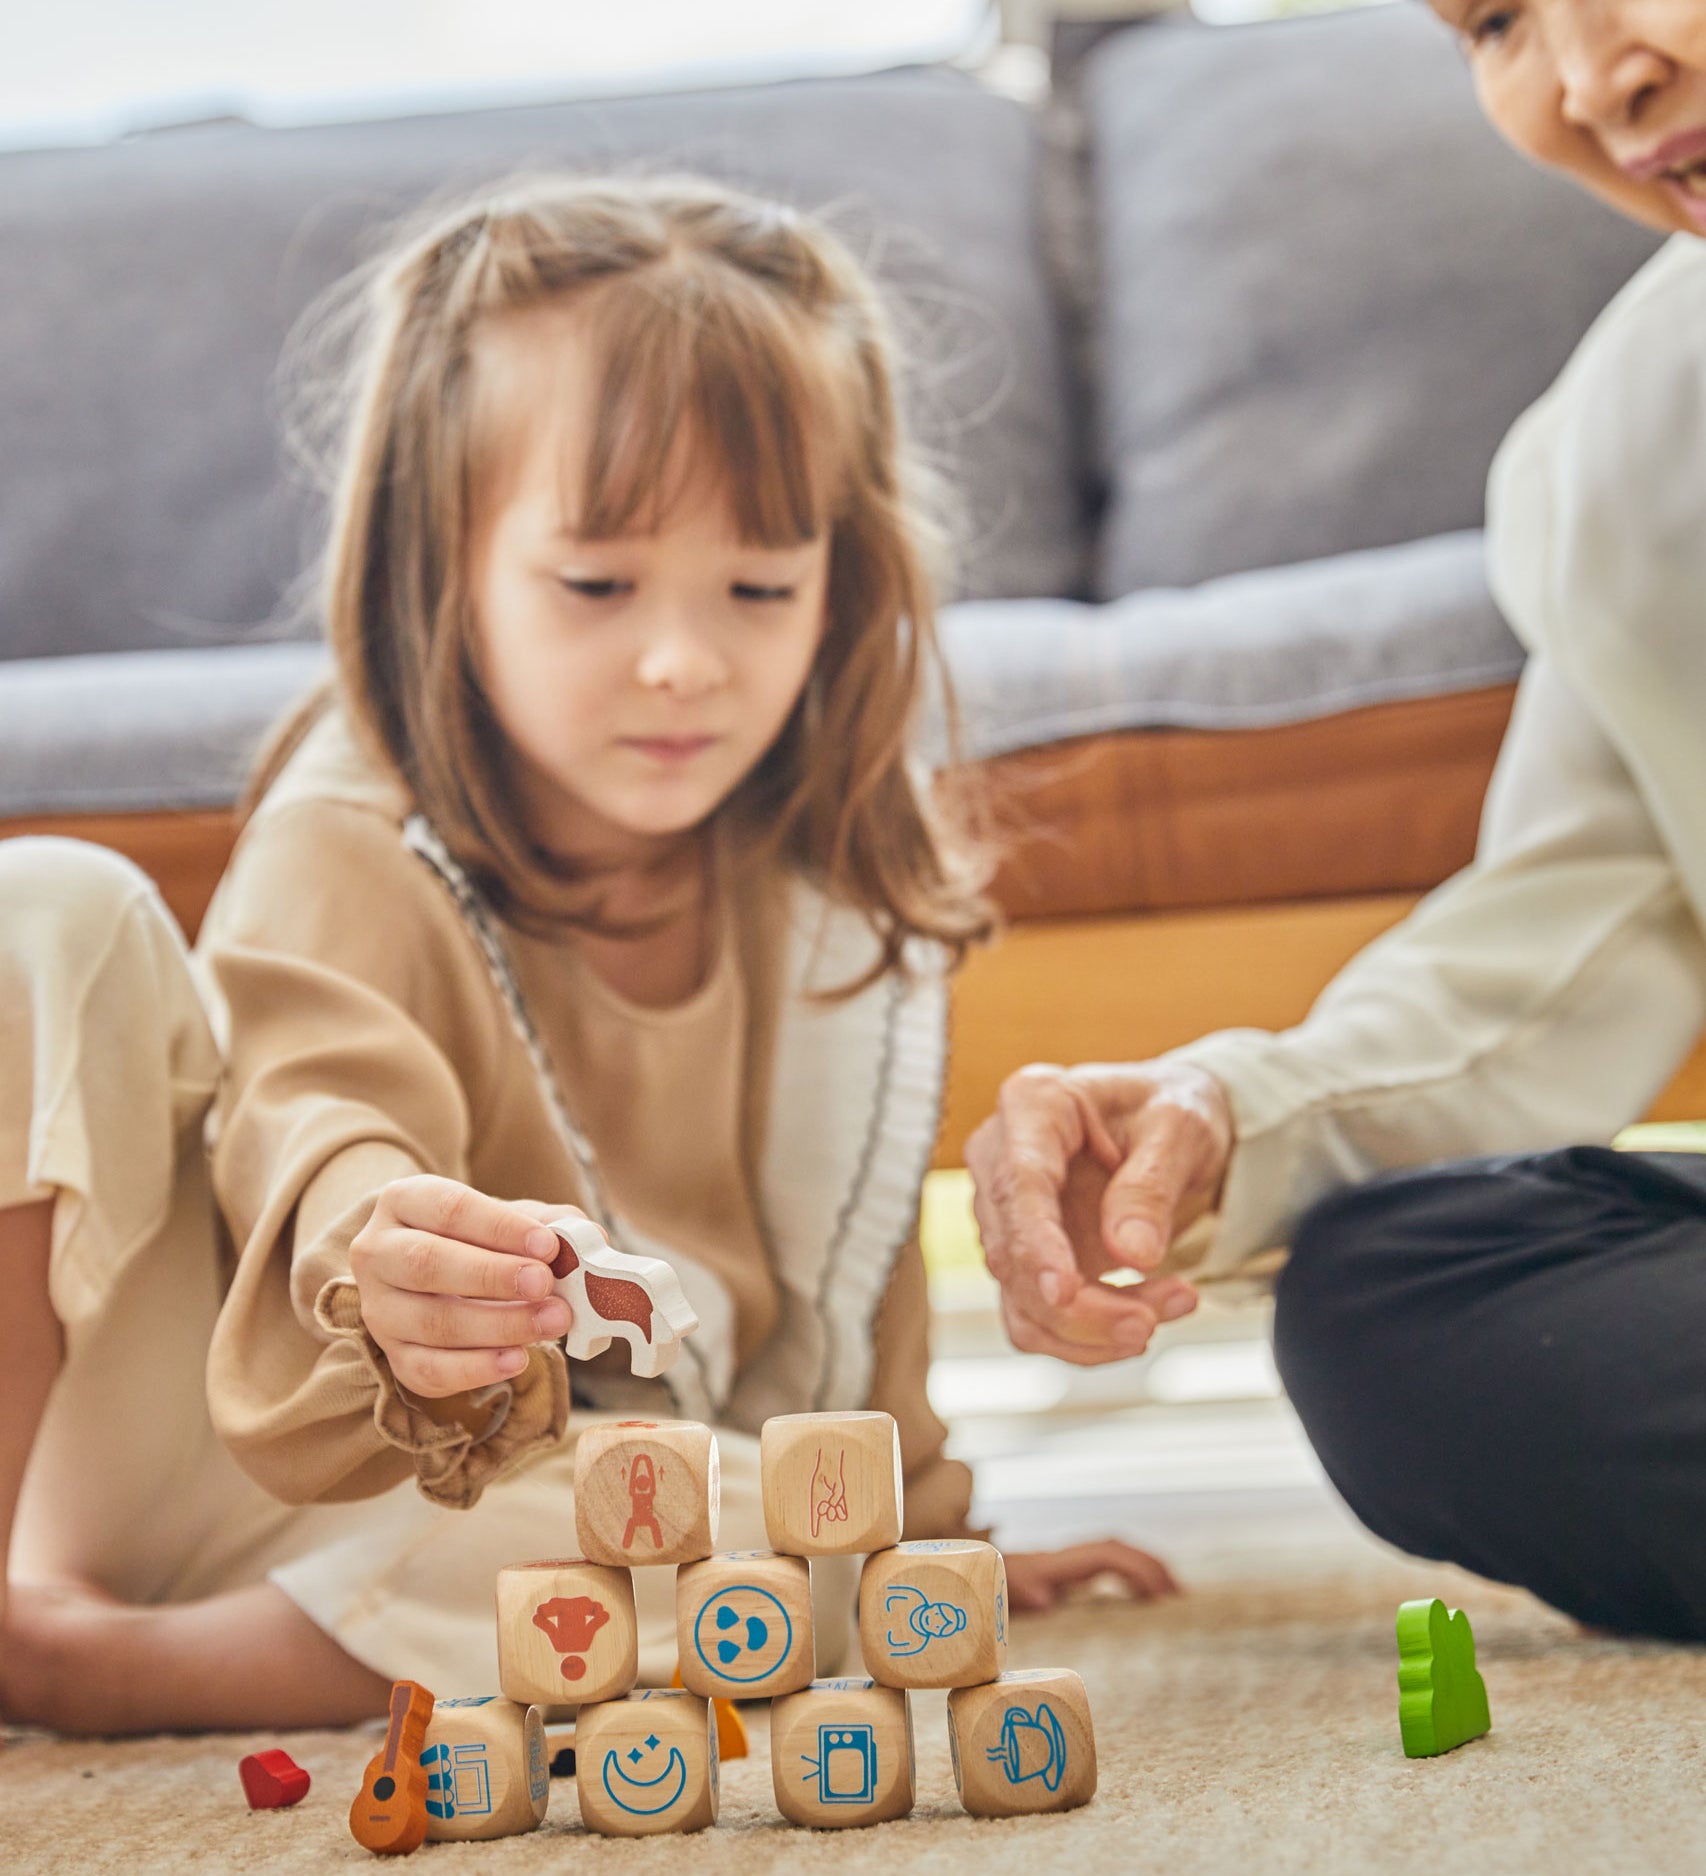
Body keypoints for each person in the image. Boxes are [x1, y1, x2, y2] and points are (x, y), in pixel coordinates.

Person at [0, 174, 1173, 1737]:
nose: (684, 658)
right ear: (446, 565)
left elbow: (854, 1299)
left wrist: (921, 1542)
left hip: (494, 1507)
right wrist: (390, 1265)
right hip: (233, 1424)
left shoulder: (828, 885)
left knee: (775, 1540)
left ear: (842, 579)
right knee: (44, 912)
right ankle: (55, 1631)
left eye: (759, 587)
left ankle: (113, 1658)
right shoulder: (356, 829)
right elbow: (309, 1118)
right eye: (596, 585)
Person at [966, 0, 1706, 1641]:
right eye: (1496, 23)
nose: (1592, 80)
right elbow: (1562, 936)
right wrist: (1217, 1108)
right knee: (1402, 1299)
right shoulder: (1617, 463)